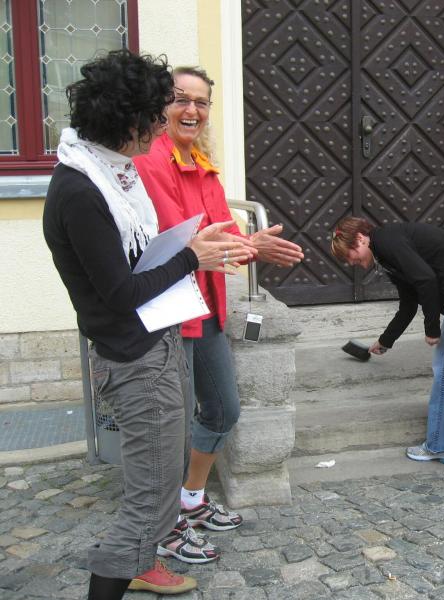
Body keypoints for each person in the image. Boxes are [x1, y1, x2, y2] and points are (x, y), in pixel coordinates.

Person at [42, 50, 256, 599]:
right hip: (134, 358)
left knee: (160, 489)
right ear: (126, 117)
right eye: (157, 115)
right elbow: (120, 294)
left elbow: (135, 261)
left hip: (153, 343)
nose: (163, 125)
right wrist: (191, 257)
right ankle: (119, 576)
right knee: (149, 502)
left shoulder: (109, 174)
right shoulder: (82, 190)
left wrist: (196, 246)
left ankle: (143, 559)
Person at [134, 66, 304, 561]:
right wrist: (246, 245)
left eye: (201, 102)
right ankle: (162, 524)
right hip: (167, 312)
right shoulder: (151, 160)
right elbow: (184, 240)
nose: (192, 110)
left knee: (224, 408)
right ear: (160, 106)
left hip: (206, 308)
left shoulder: (203, 163)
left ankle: (191, 497)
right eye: (180, 99)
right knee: (169, 425)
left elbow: (222, 234)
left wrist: (253, 246)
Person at [330, 218, 444, 488]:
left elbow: (426, 279)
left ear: (361, 240)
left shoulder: (386, 240)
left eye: (349, 255)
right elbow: (409, 303)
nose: (350, 262)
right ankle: (443, 444)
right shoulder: (386, 255)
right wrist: (385, 341)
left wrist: (432, 328)